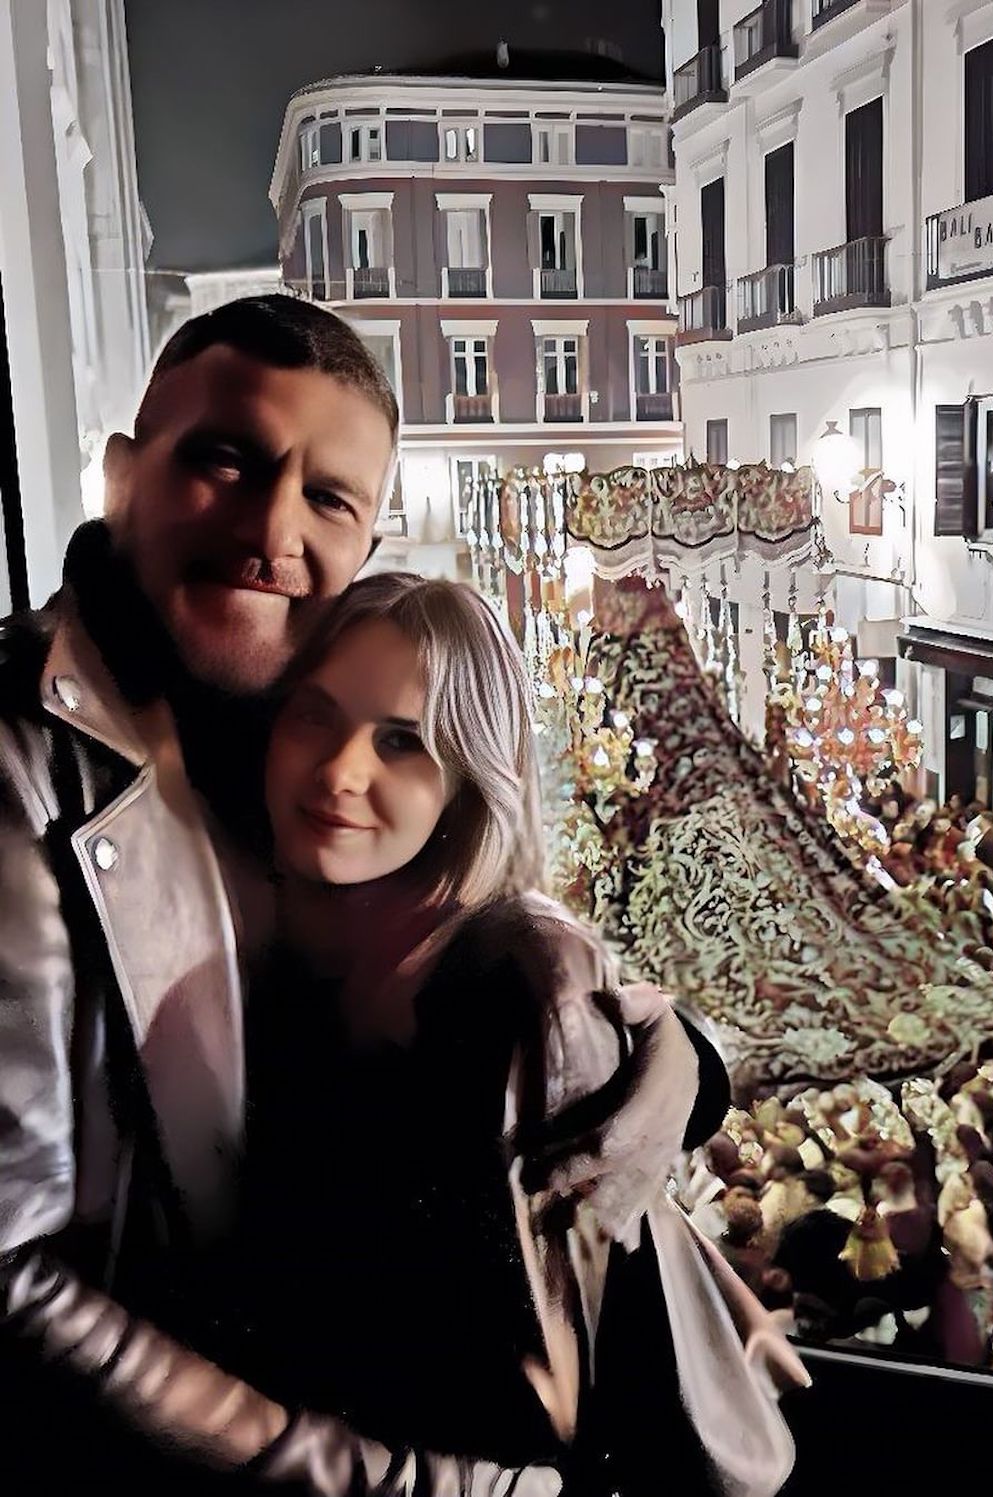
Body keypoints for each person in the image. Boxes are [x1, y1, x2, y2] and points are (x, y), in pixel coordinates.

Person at [0, 295, 605, 1496]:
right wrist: (381, 1478)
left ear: (367, 545)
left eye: (328, 498)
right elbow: (10, 1272)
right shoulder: (19, 764)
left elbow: (441, 871)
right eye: (224, 461)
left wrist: (629, 1027)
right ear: (121, 478)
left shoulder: (269, 721)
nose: (273, 527)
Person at [231, 572, 803, 1497]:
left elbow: (545, 1401)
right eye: (314, 714)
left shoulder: (510, 987)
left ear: (468, 776)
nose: (341, 770)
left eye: (402, 741)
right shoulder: (290, 947)